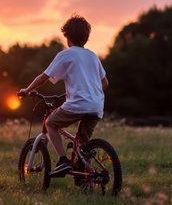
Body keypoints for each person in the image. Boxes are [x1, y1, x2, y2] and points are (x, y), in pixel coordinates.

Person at [18, 14, 109, 177]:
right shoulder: (92, 56)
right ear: (86, 38)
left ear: (67, 36)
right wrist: (90, 91)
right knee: (83, 144)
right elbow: (105, 83)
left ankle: (63, 161)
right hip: (96, 105)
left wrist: (27, 89)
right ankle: (87, 179)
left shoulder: (66, 54)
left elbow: (44, 77)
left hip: (78, 104)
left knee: (51, 123)